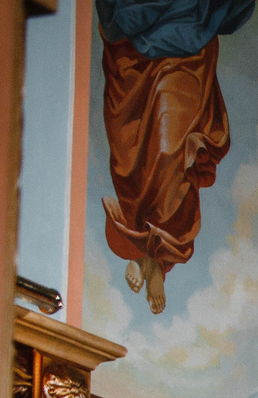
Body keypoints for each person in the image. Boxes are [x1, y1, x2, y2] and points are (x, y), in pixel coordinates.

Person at [98, 0, 250, 315]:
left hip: (187, 30)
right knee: (130, 154)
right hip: (131, 36)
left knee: (172, 150)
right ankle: (144, 250)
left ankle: (158, 256)